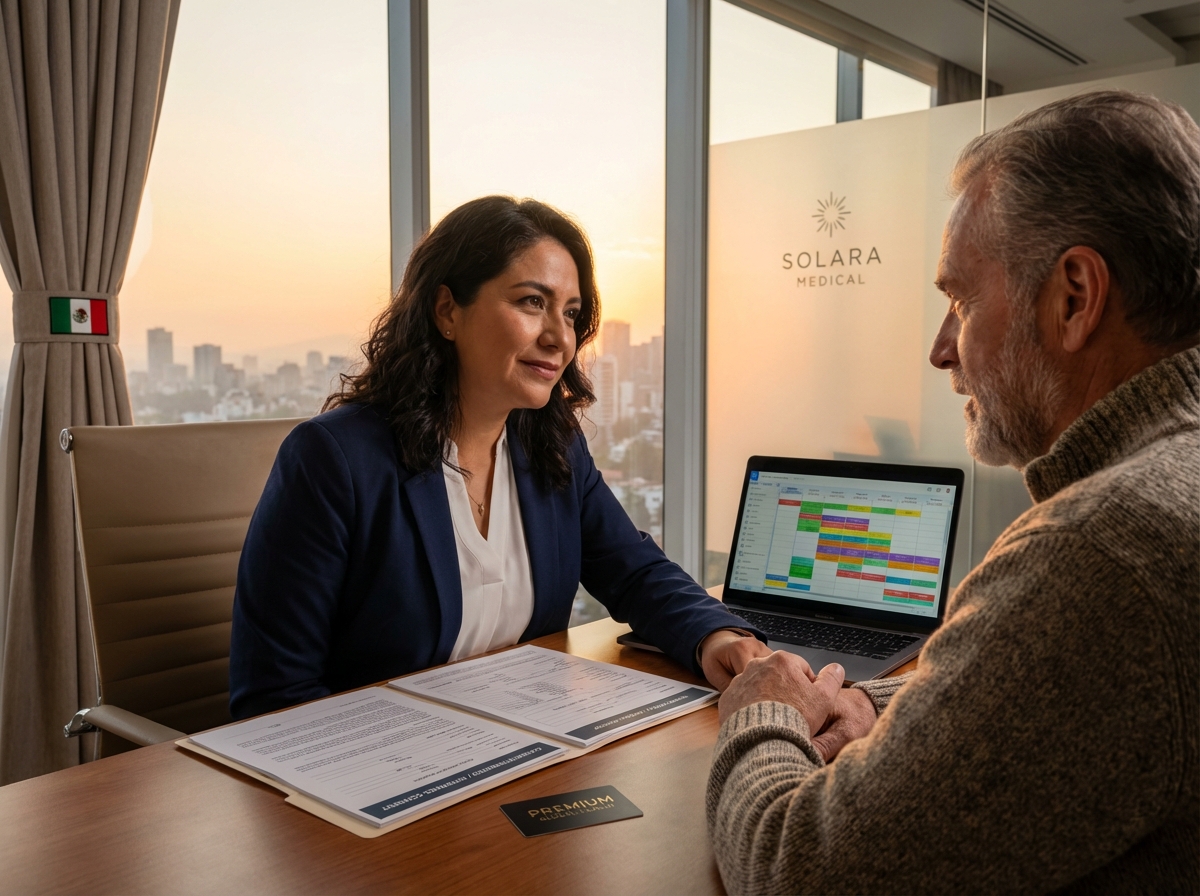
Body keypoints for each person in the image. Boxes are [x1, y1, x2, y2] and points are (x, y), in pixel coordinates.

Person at [706, 90, 1199, 893]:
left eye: (960, 301)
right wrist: (893, 702)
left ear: (1074, 296)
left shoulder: (1103, 549)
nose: (942, 350)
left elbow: (800, 868)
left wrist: (762, 712)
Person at [230, 196, 769, 720]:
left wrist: (715, 635)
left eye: (572, 312)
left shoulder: (552, 446)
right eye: (532, 302)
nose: (560, 337)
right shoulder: (335, 460)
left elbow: (633, 572)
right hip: (373, 782)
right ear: (447, 310)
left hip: (519, 750)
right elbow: (276, 694)